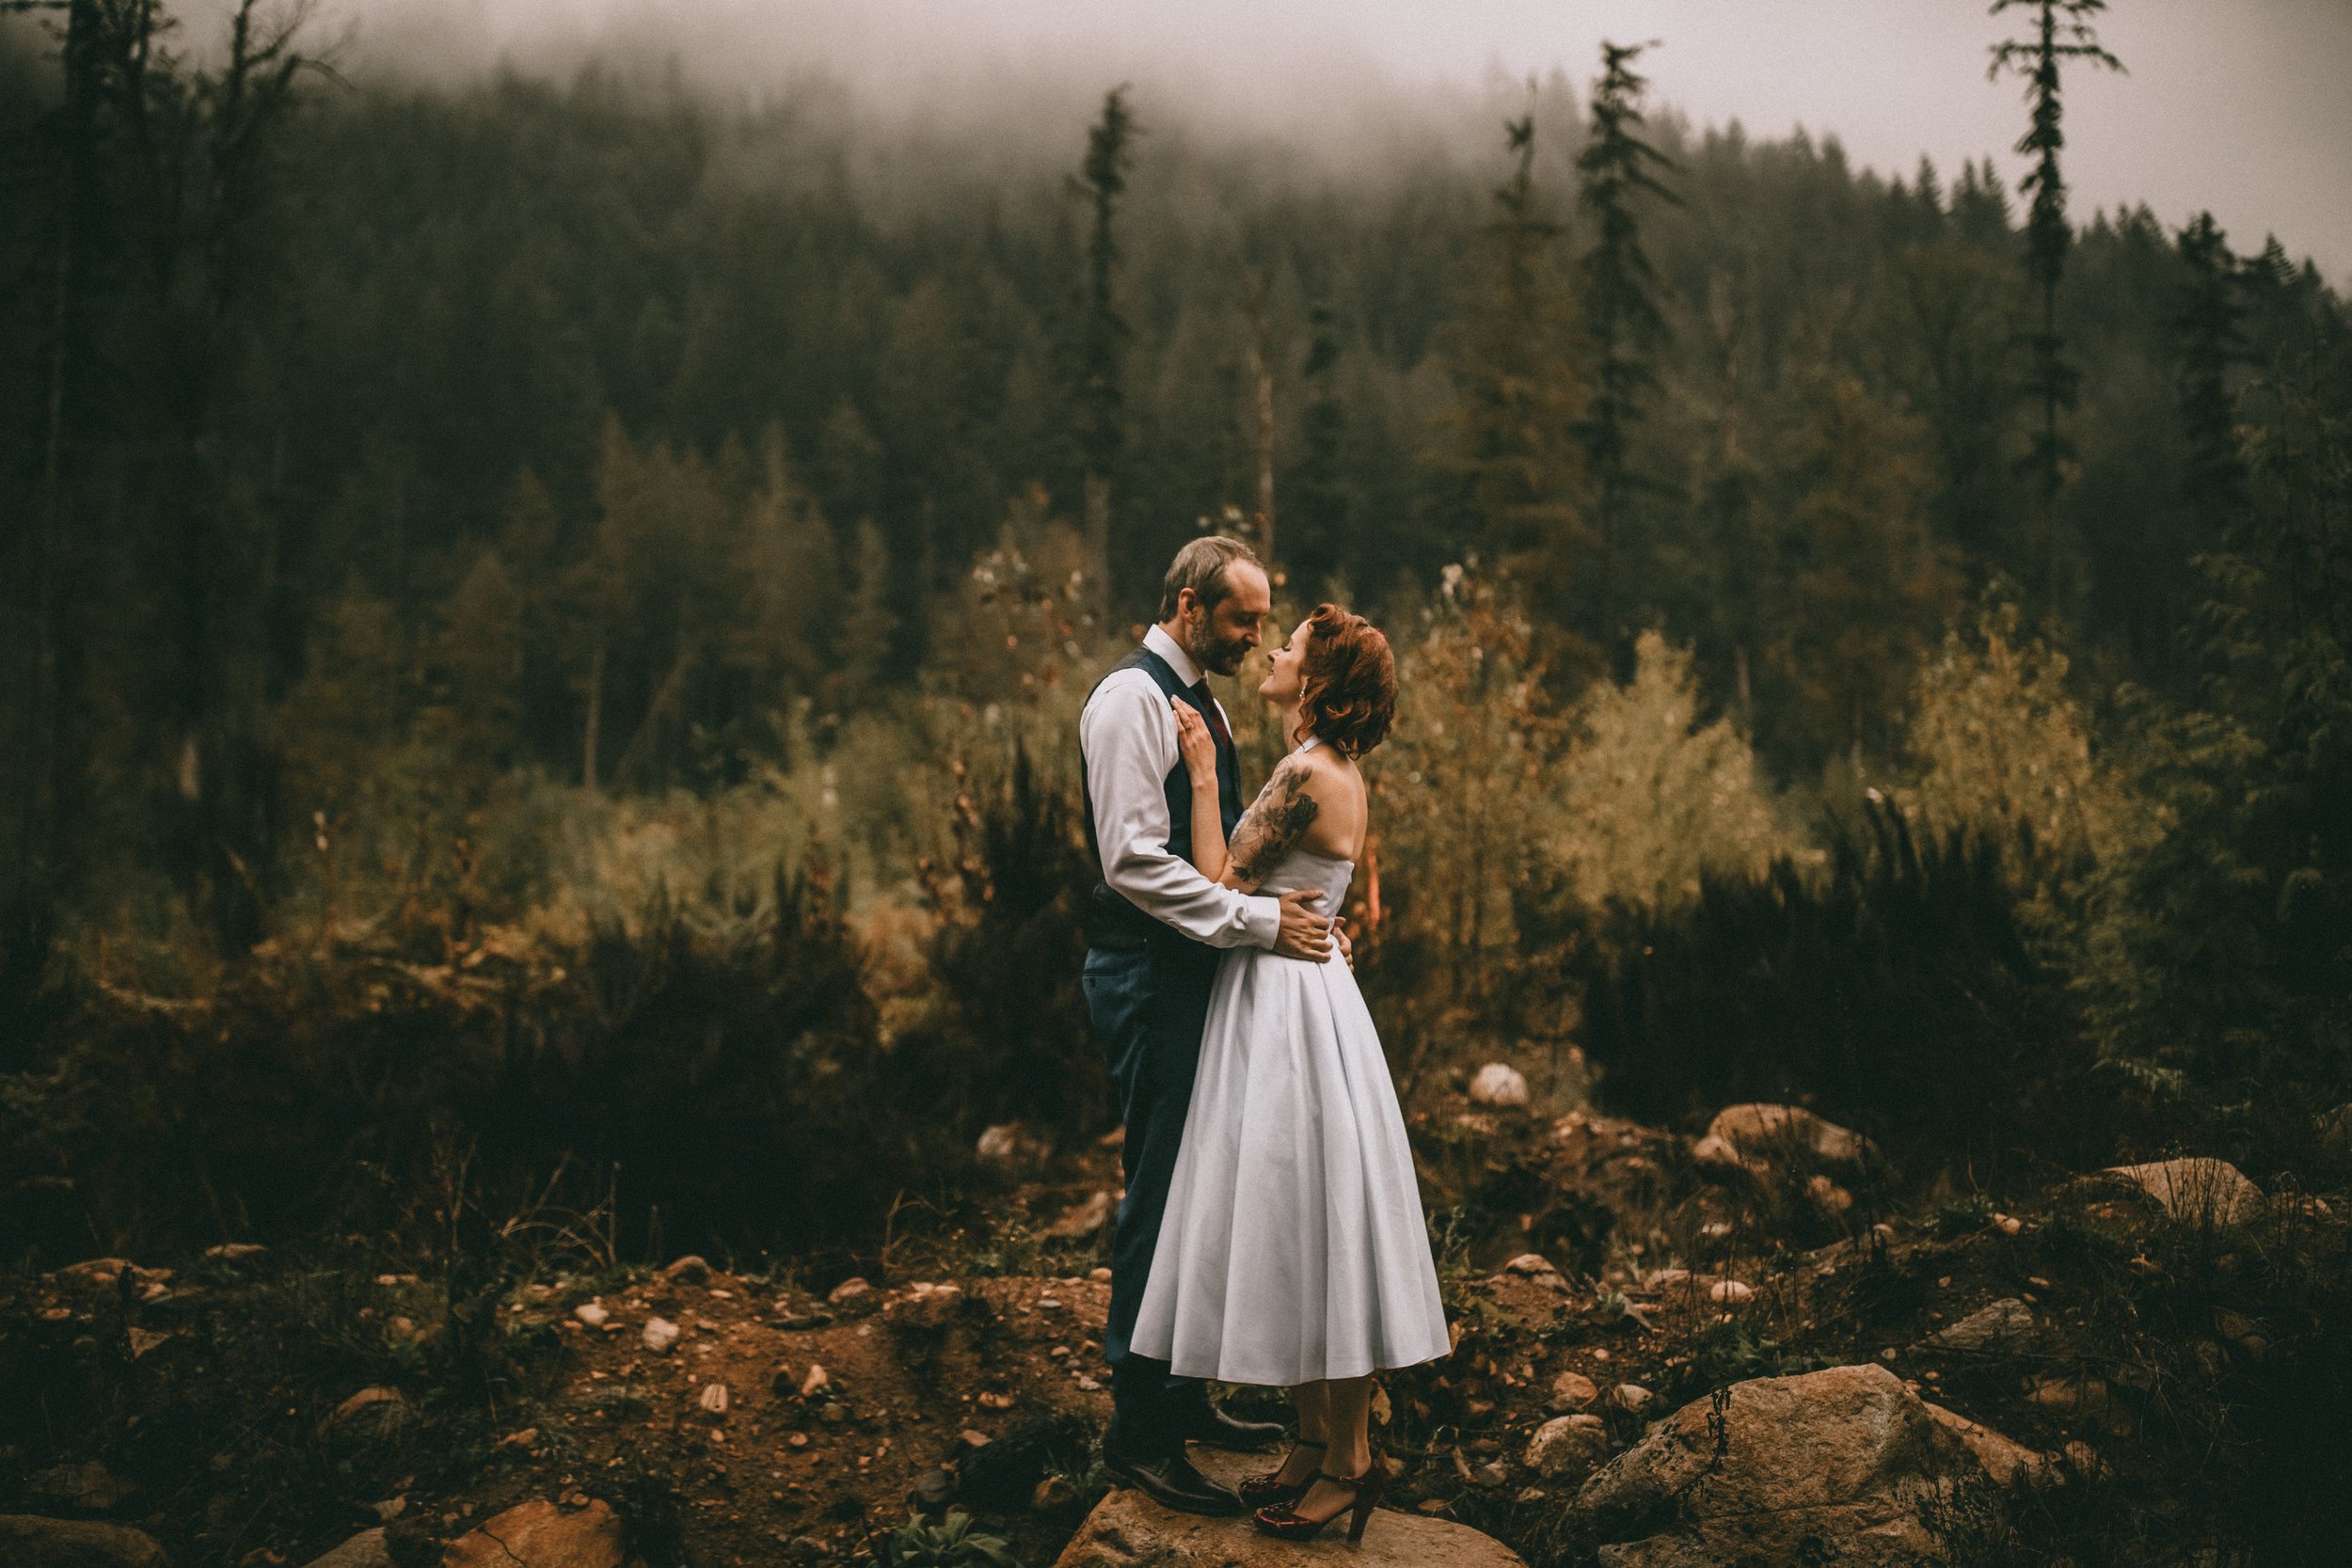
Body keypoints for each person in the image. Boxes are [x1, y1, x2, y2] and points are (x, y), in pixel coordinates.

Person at [1129, 601, 1450, 1544]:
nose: (1274, 649)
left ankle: (1347, 1462)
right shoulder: (1332, 769)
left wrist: (1196, 774)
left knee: (1311, 1223)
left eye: (1293, 646)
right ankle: (1316, 1441)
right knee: (1311, 1223)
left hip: (1286, 1006)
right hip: (1304, 997)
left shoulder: (1305, 771)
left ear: (1315, 682)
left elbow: (1219, 880)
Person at [1077, 536, 1343, 1514]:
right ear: (1190, 606)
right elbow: (1132, 864)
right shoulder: (1128, 702)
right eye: (1243, 618)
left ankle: (1184, 1395)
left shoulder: (1208, 704)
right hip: (1146, 975)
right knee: (1156, 1190)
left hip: (1193, 974)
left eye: (1264, 621)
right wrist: (1260, 923)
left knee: (1198, 1186)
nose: (1256, 634)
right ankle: (1137, 1429)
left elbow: (1220, 848)